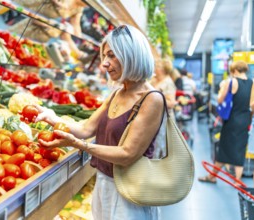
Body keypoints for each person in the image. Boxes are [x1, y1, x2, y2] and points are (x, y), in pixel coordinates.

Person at [34, 24, 162, 219]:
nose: (104, 63)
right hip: (105, 183)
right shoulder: (117, 93)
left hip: (129, 193)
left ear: (131, 54)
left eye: (112, 55)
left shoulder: (152, 99)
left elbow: (127, 154)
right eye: (104, 56)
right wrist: (53, 118)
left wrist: (79, 145)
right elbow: (86, 128)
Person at [199, 61, 253, 184]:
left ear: (234, 70)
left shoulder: (232, 81)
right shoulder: (251, 82)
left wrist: (222, 88)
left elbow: (220, 99)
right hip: (245, 119)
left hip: (232, 119)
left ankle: (212, 176)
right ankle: (237, 180)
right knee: (240, 149)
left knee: (224, 148)